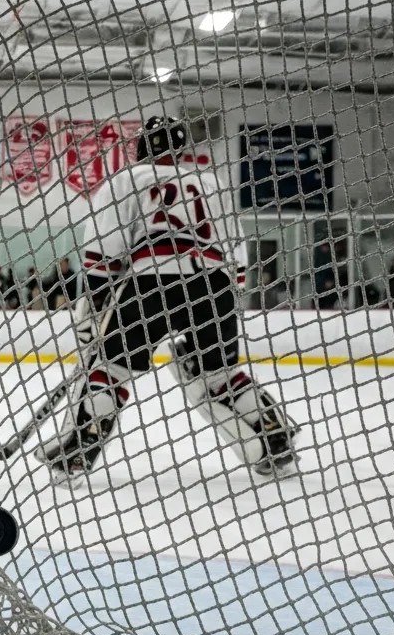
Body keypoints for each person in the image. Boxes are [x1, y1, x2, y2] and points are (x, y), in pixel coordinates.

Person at [38, 116, 298, 478]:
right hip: (214, 285)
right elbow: (237, 252)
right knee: (218, 375)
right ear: (181, 149)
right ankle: (273, 437)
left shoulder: (127, 179)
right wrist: (228, 297)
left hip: (151, 284)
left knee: (110, 368)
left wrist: (95, 306)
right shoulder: (211, 182)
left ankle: (78, 451)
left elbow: (103, 250)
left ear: (142, 147)